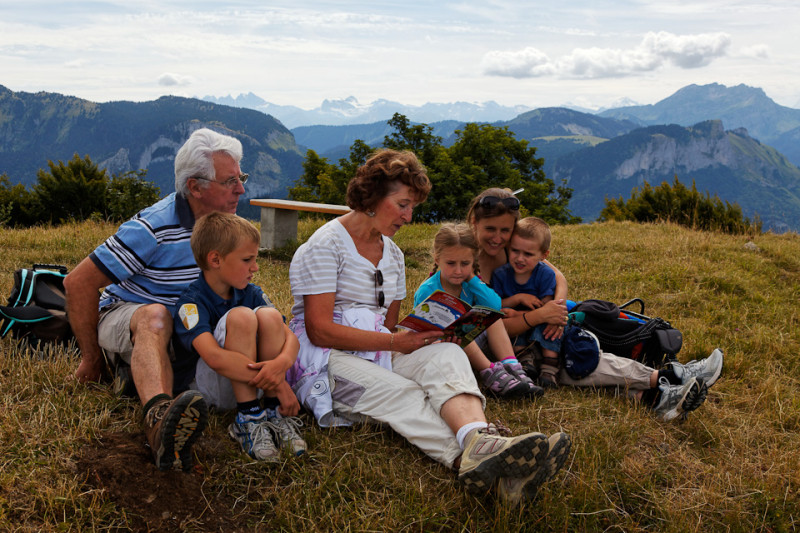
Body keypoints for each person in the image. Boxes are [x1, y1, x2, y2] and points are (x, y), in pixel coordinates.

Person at [286, 149, 570, 504]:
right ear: (373, 197)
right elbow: (319, 331)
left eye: (412, 207)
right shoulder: (325, 246)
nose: (408, 216)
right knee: (403, 392)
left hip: (376, 350)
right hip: (326, 360)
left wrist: (420, 334)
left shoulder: (393, 254)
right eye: (403, 204)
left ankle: (480, 440)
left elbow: (389, 326)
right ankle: (478, 463)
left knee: (449, 353)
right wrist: (396, 344)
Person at [64, 127, 249, 471]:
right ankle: (159, 420)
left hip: (189, 326)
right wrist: (91, 361)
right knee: (156, 316)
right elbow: (78, 283)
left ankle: (140, 376)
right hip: (131, 315)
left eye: (241, 177)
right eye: (229, 182)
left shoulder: (227, 227)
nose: (241, 189)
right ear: (194, 186)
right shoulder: (153, 228)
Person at [466, 188, 725, 421]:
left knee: (578, 346)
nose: (498, 237)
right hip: (505, 351)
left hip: (537, 329)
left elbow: (557, 276)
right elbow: (490, 328)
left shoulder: (509, 250)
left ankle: (654, 397)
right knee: (576, 358)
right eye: (491, 230)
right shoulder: (464, 264)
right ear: (474, 222)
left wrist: (557, 310)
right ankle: (668, 378)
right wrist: (541, 316)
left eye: (505, 230)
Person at [172, 212, 306, 462]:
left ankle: (272, 411)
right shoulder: (191, 303)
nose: (255, 267)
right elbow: (213, 357)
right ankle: (248, 417)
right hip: (213, 388)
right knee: (242, 316)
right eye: (247, 260)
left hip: (256, 382)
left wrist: (281, 366)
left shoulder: (252, 292)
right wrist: (278, 383)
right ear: (215, 259)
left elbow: (292, 339)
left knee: (269, 315)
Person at [413, 222, 541, 398]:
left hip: (468, 346)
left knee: (492, 317)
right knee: (459, 326)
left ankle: (513, 367)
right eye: (450, 263)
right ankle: (490, 374)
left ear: (474, 261)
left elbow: (495, 306)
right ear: (437, 259)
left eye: (465, 263)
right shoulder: (428, 290)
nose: (458, 271)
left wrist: (472, 278)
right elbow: (424, 330)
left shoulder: (471, 283)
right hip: (441, 349)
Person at [491, 217, 563, 389]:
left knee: (552, 327)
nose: (520, 259)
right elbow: (498, 304)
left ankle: (549, 367)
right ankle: (524, 359)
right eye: (515, 251)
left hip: (539, 317)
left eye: (528, 254)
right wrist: (517, 299)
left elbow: (546, 308)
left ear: (543, 255)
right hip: (514, 321)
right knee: (510, 327)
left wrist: (519, 313)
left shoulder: (545, 274)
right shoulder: (500, 274)